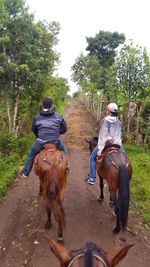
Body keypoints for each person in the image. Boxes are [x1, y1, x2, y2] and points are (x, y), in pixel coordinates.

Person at [21, 97, 67, 178]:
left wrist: (38, 136)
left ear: (42, 105)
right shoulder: (59, 116)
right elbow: (64, 129)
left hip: (41, 141)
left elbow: (34, 129)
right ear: (52, 106)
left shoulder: (37, 117)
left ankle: (26, 173)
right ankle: (67, 167)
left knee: (31, 154)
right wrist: (56, 131)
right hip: (55, 141)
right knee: (65, 152)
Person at [87, 102, 123, 185]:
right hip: (117, 143)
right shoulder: (118, 121)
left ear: (108, 111)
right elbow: (118, 135)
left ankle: (92, 178)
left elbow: (102, 136)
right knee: (123, 156)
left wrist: (100, 149)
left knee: (92, 158)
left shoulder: (105, 120)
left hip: (107, 143)